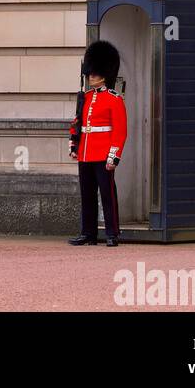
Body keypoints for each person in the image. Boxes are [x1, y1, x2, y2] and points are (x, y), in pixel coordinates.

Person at [68, 40, 127, 247]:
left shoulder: (114, 99)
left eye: (94, 72)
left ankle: (112, 233)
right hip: (85, 152)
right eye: (90, 72)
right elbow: (78, 123)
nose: (91, 76)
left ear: (104, 74)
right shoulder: (85, 97)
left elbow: (119, 131)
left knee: (107, 195)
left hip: (103, 154)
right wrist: (74, 145)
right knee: (87, 196)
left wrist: (113, 156)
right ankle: (88, 233)